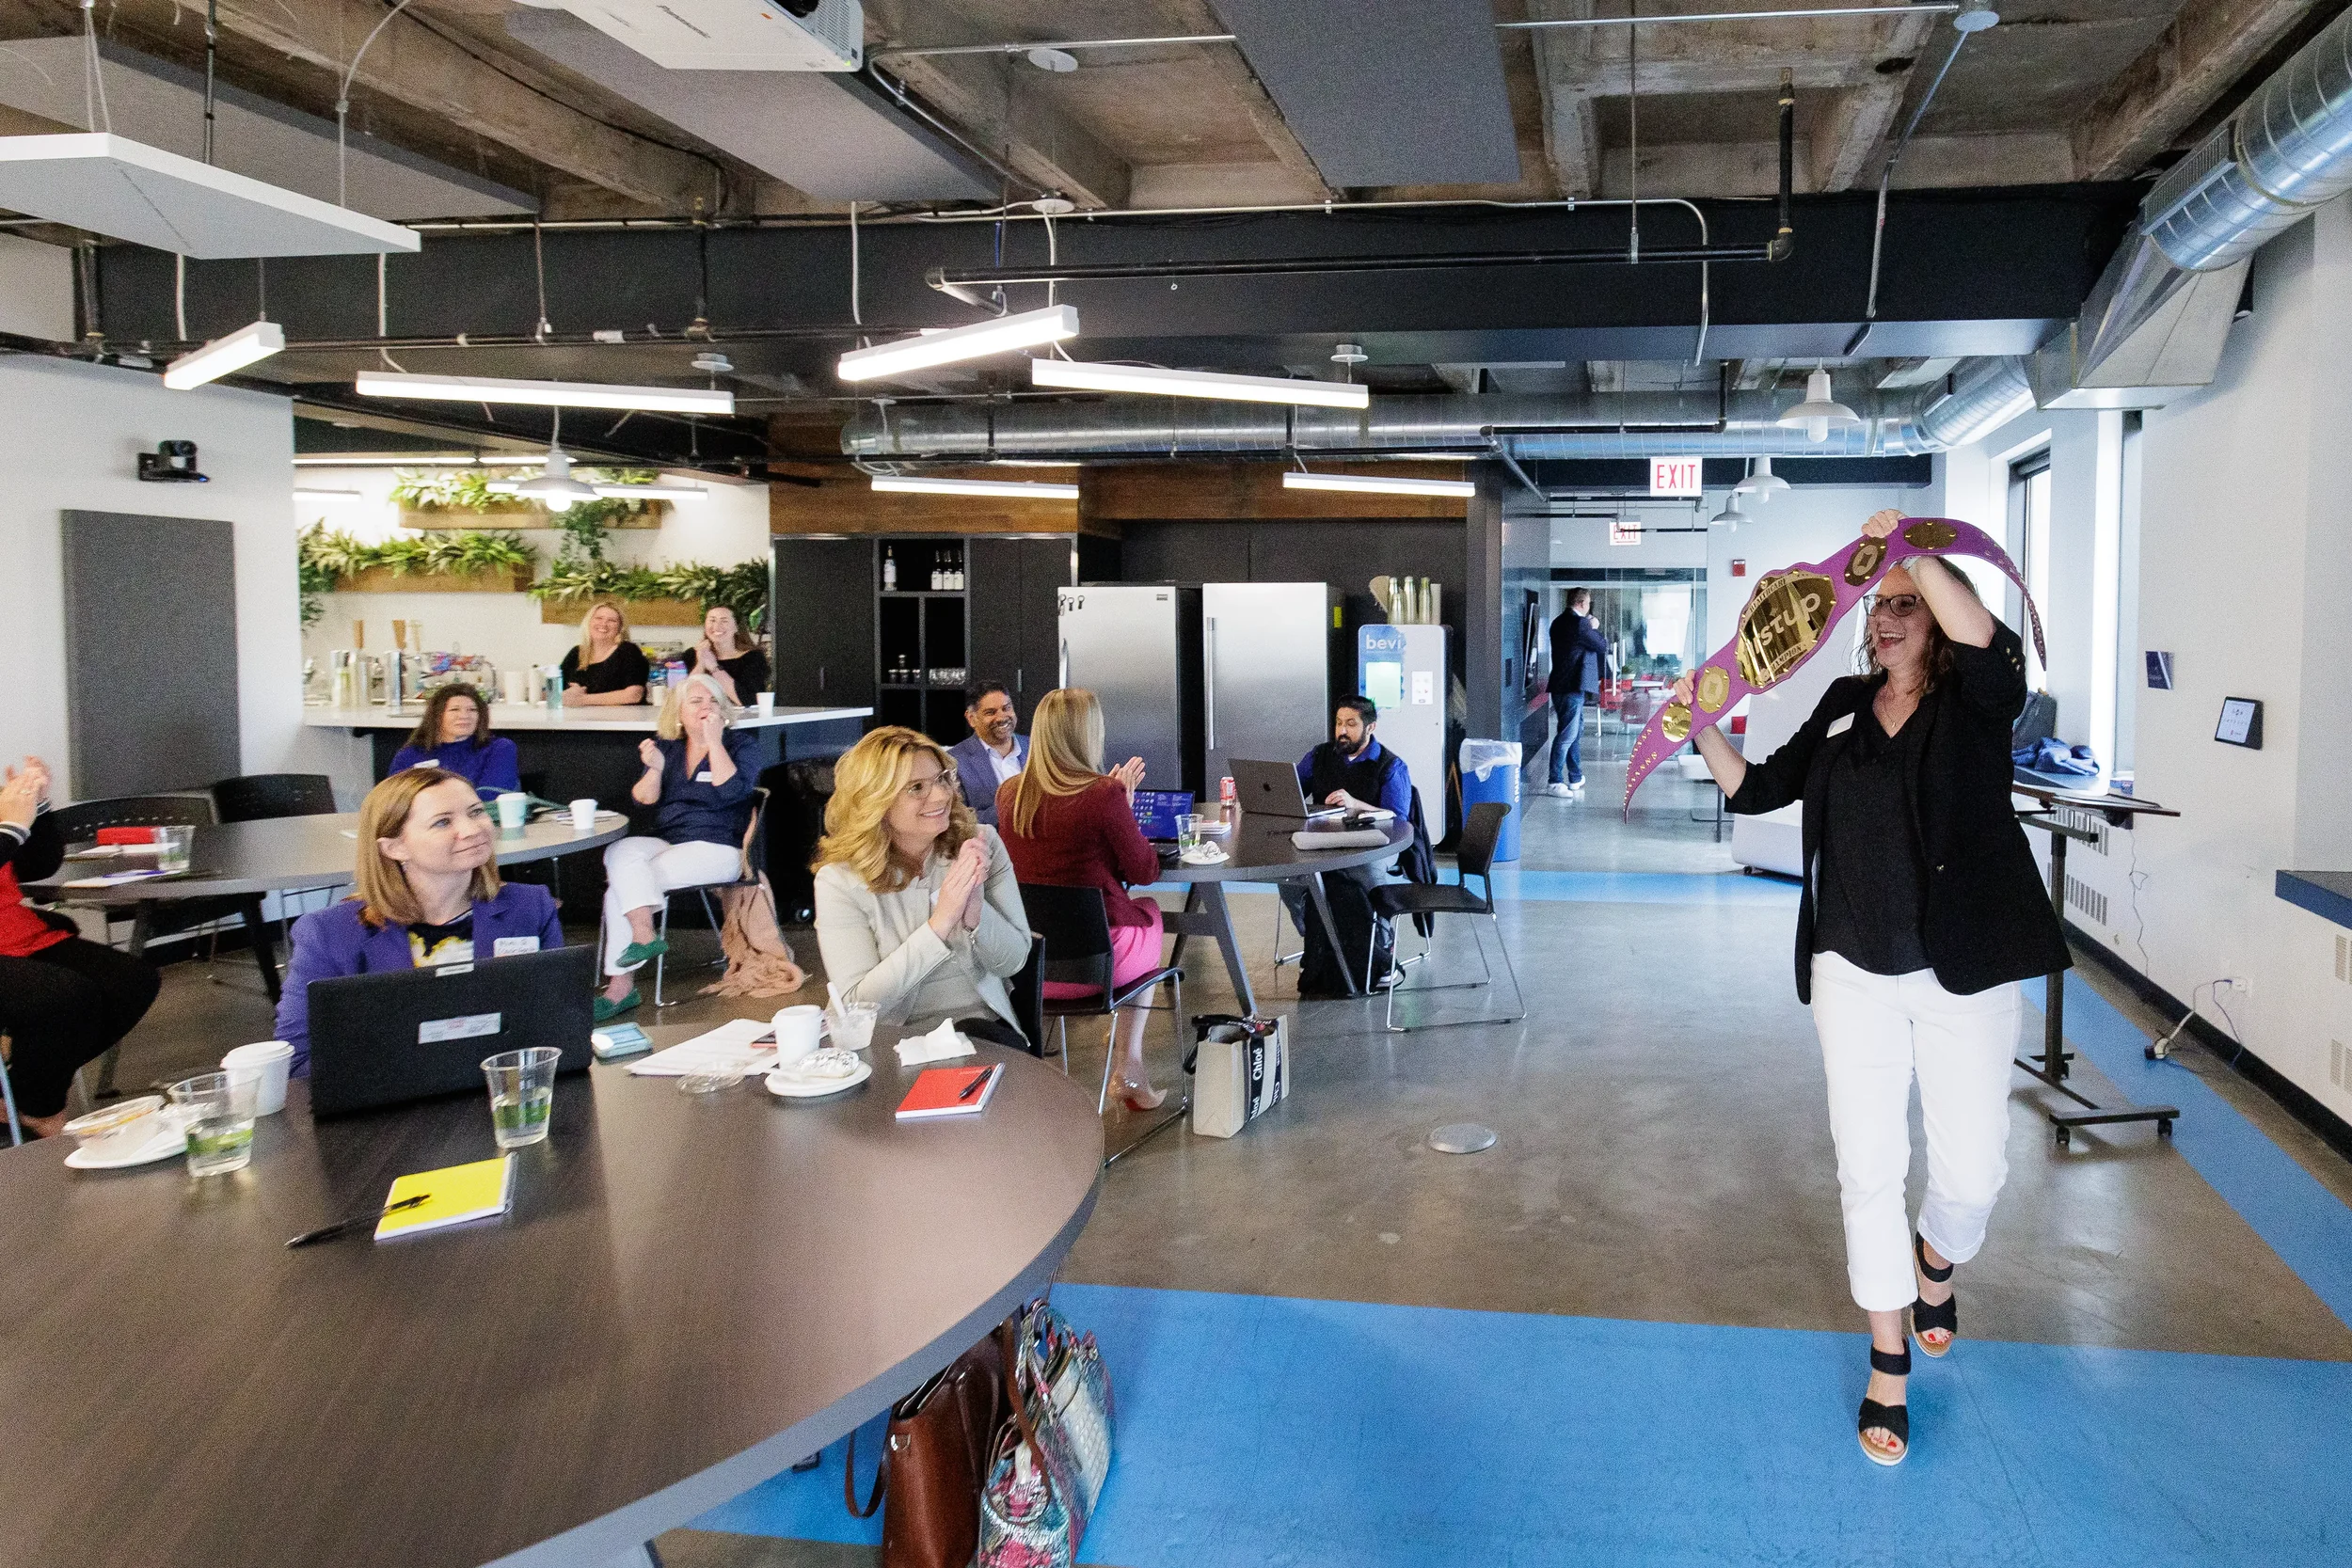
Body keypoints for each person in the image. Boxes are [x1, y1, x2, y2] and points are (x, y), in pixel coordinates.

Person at [1674, 509, 2067, 1468]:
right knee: (1868, 1166)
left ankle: (1937, 1257)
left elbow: (1984, 636)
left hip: (1961, 971)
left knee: (1973, 1173)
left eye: (1906, 605)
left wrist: (1905, 553)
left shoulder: (1978, 700)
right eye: (1878, 605)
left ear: (1936, 613)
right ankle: (1886, 1361)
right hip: (1850, 967)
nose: (1887, 618)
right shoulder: (1847, 702)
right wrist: (1700, 727)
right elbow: (1761, 786)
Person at [276, 768, 564, 1077]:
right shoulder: (329, 934)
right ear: (394, 848)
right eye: (443, 821)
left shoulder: (530, 908)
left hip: (500, 1091)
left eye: (476, 811)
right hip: (386, 1107)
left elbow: (556, 1025)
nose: (471, 829)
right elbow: (297, 1057)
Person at [994, 688, 1164, 1109]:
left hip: (1027, 965)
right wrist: (1123, 803)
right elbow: (1143, 872)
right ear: (1089, 735)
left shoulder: (1009, 792)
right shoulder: (1103, 794)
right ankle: (1131, 1064)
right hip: (1094, 965)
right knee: (1151, 915)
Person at [811, 725, 1030, 1045]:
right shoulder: (839, 880)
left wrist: (976, 912)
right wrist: (940, 924)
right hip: (885, 1041)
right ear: (875, 801)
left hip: (978, 1031)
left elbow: (1013, 961)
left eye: (942, 779)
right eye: (916, 787)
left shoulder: (980, 843)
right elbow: (857, 1005)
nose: (942, 795)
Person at [0, 756, 160, 1138]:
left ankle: (21, 1095)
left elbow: (36, 866)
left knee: (130, 982)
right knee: (65, 998)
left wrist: (35, 807)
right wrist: (10, 828)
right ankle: (38, 1109)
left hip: (13, 933)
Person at [595, 673, 760, 1019]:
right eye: (696, 701)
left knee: (621, 891)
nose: (706, 707)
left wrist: (714, 742)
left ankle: (621, 986)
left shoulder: (741, 745)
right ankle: (643, 932)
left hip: (720, 847)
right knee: (619, 852)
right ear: (679, 713)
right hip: (671, 841)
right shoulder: (667, 747)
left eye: (713, 701)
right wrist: (654, 770)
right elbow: (643, 800)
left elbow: (731, 792)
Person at [1283, 695, 1414, 982]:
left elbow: (1399, 819)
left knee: (1366, 872)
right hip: (1323, 841)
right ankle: (1323, 941)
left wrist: (1357, 804)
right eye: (1339, 723)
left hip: (1377, 844)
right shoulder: (1319, 756)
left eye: (1351, 724)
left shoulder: (1391, 765)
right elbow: (1292, 788)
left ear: (1370, 727)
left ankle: (1379, 949)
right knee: (1289, 879)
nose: (1342, 730)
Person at [388, 683, 520, 795]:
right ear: (437, 716)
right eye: (454, 709)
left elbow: (491, 796)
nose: (464, 715)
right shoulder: (409, 756)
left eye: (472, 710)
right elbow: (395, 802)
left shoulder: (499, 749)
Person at [1546, 589, 1611, 799]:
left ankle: (1575, 776)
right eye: (1589, 603)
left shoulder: (1557, 622)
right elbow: (1602, 646)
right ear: (1582, 603)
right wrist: (1594, 626)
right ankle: (1554, 781)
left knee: (1573, 732)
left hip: (1560, 685)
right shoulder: (1581, 624)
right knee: (1567, 736)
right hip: (1572, 686)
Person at [947, 680, 1029, 828]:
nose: (1002, 717)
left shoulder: (1036, 748)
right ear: (972, 719)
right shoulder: (954, 761)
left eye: (1006, 708)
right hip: (989, 848)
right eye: (991, 712)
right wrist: (1015, 806)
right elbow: (958, 821)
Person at [560, 600, 650, 706]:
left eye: (612, 620)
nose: (603, 624)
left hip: (622, 721)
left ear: (620, 628)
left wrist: (583, 699)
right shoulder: (576, 653)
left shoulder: (628, 651)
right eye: (599, 618)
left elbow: (634, 695)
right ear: (588, 622)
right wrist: (566, 695)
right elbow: (555, 690)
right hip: (579, 720)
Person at [692, 605, 769, 706]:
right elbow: (682, 697)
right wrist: (701, 663)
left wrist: (714, 668)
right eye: (712, 620)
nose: (716, 626)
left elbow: (747, 702)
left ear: (737, 627)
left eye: (724, 621)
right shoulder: (693, 654)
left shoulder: (753, 658)